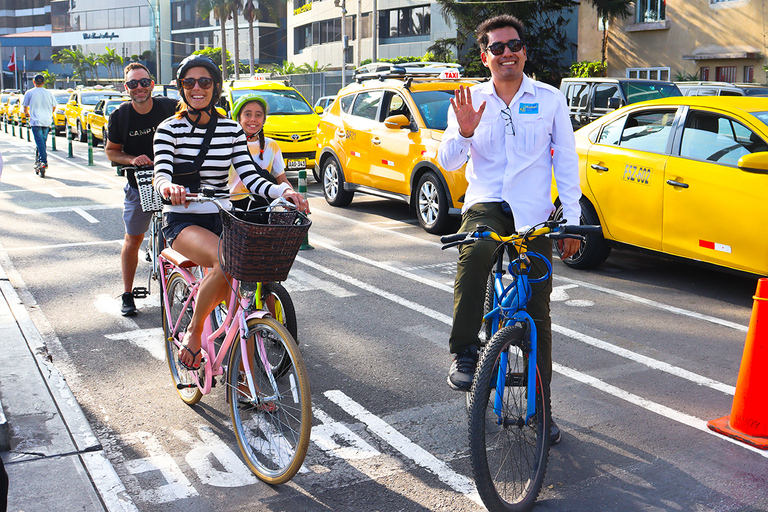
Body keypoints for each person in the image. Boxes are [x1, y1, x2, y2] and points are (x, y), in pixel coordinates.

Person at [437, 14, 582, 445]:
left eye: (514, 45)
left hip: (533, 214)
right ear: (485, 57)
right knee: (478, 251)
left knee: (538, 311)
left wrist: (570, 221)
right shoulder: (469, 99)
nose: (507, 53)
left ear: (524, 52)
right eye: (497, 48)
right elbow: (447, 160)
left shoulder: (551, 99)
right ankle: (465, 350)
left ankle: (542, 407)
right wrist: (463, 132)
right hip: (486, 205)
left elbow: (567, 163)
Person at [153, 55, 309, 371]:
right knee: (226, 260)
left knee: (244, 300)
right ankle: (194, 333)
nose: (197, 88)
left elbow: (251, 176)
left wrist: (285, 192)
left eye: (205, 82)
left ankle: (244, 386)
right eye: (189, 82)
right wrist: (169, 187)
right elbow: (161, 174)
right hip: (182, 219)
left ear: (216, 87)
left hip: (223, 215)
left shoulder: (230, 130)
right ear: (182, 88)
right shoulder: (168, 129)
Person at [105, 63, 178, 316]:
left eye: (144, 82)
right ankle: (127, 293)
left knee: (186, 234)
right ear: (126, 88)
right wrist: (132, 159)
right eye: (133, 84)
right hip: (140, 185)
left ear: (152, 84)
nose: (139, 88)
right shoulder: (120, 116)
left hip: (173, 183)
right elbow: (112, 151)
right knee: (133, 239)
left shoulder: (170, 107)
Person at [229, 94, 298, 209]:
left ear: (264, 119)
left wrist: (294, 199)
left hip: (262, 208)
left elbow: (282, 180)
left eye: (258, 115)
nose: (253, 119)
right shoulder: (228, 144)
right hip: (231, 207)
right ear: (238, 118)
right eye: (247, 114)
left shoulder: (271, 145)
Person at [22, 74, 57, 176]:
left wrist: (27, 114)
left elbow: (25, 106)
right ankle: (40, 161)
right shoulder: (49, 93)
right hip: (46, 121)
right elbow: (54, 106)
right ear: (43, 82)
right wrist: (48, 113)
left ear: (34, 82)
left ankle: (43, 161)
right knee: (42, 142)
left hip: (36, 122)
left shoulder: (30, 92)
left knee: (40, 142)